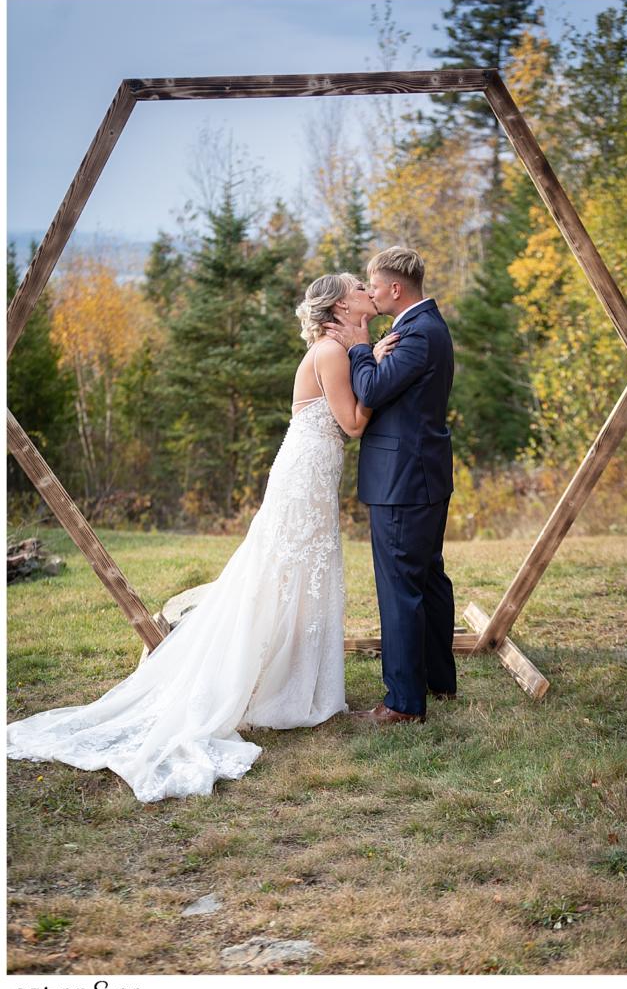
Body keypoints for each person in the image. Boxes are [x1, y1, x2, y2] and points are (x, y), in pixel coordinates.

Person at [7, 273, 397, 803]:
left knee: (306, 576)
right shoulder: (333, 350)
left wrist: (369, 354)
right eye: (357, 287)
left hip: (315, 473)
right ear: (337, 305)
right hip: (304, 476)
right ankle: (284, 692)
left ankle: (301, 691)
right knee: (286, 575)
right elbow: (352, 423)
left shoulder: (344, 346)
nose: (364, 292)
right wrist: (375, 363)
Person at [325, 246, 456, 725]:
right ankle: (439, 681)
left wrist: (359, 346)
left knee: (402, 587)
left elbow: (374, 390)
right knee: (428, 578)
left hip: (403, 481)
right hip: (421, 475)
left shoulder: (418, 334)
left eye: (373, 284)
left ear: (395, 289)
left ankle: (402, 703)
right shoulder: (421, 327)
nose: (370, 290)